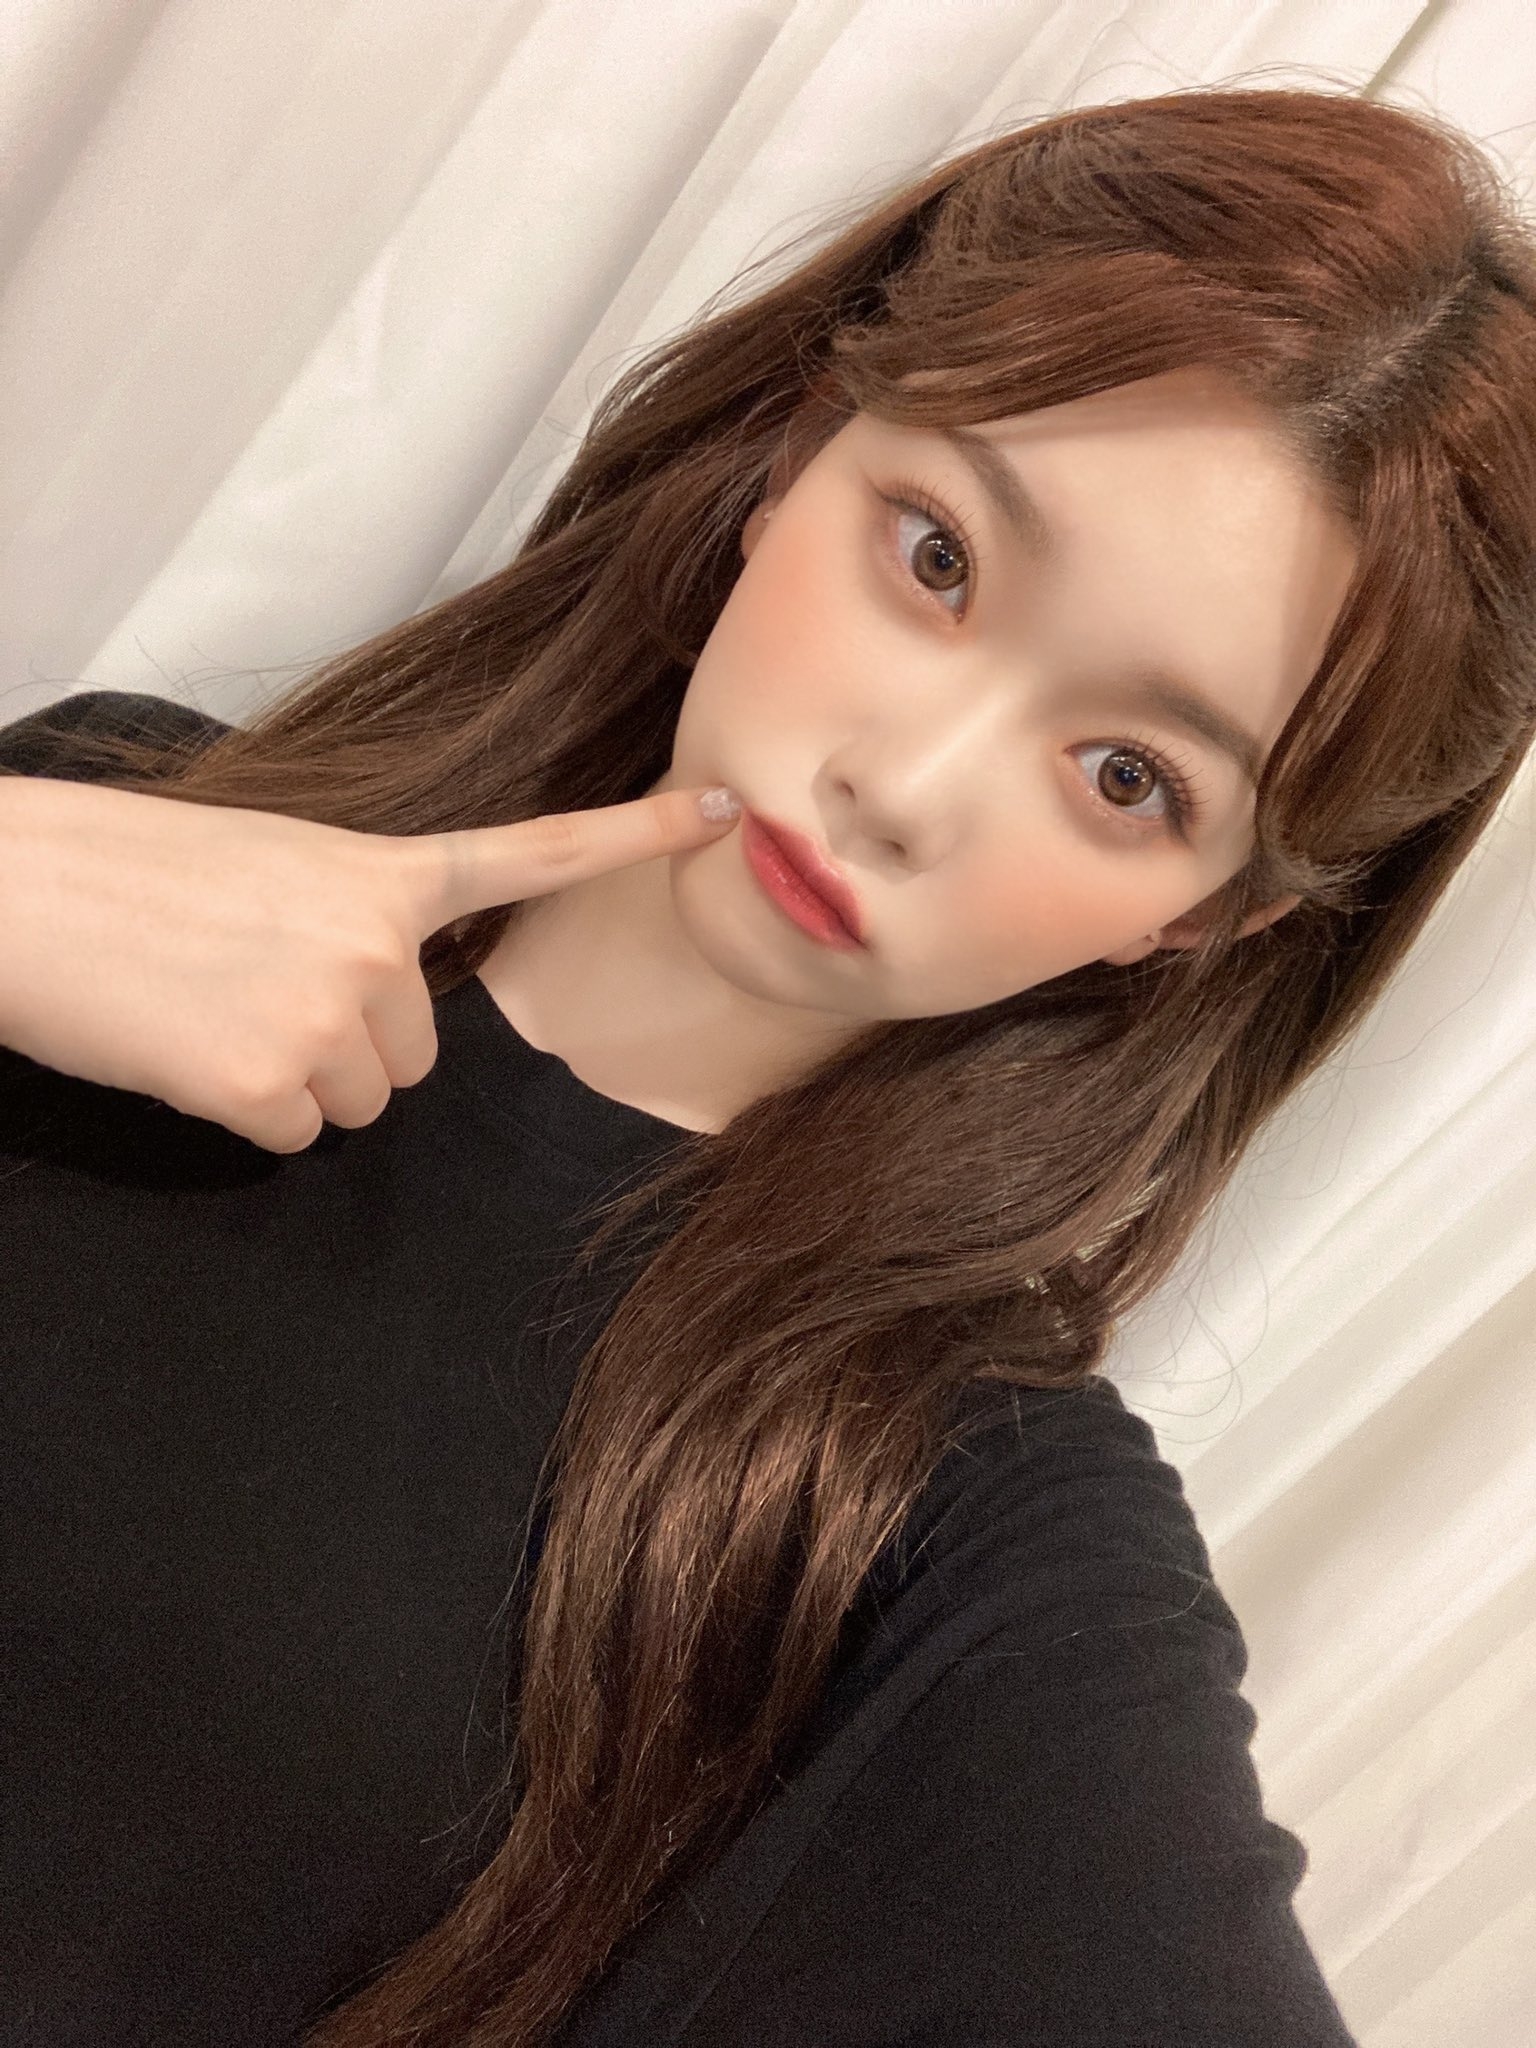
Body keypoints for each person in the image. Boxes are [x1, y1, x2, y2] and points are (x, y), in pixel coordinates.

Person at [2, 81, 1533, 2047]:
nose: (903, 782)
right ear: (800, 448)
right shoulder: (111, 825)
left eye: (1124, 774)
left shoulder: (939, 1528)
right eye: (939, 557)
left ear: (1208, 918)